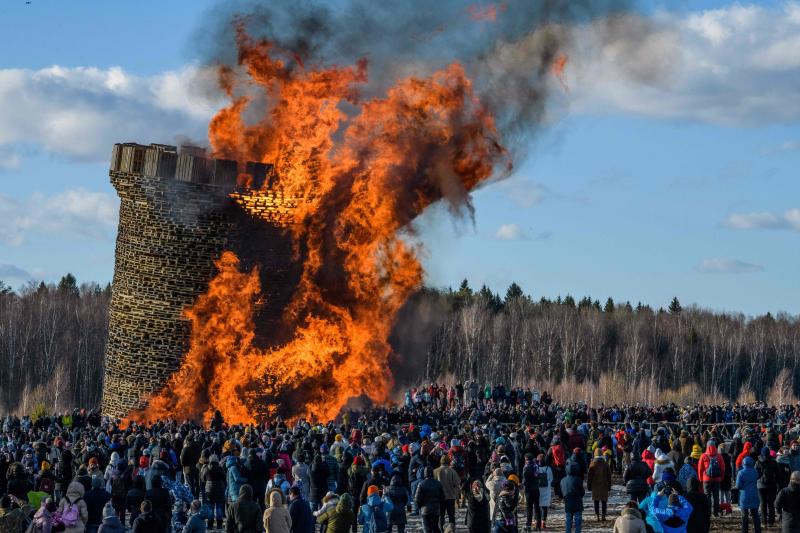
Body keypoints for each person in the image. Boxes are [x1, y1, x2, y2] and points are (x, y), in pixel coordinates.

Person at [697, 442, 724, 517]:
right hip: (717, 479)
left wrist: (700, 479)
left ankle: (708, 512)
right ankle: (716, 512)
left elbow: (700, 469)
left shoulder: (703, 455)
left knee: (707, 496)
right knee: (716, 496)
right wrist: (721, 477)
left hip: (706, 479)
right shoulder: (719, 456)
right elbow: (722, 468)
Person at [433, 455, 460, 531]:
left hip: (439, 497)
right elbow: (458, 482)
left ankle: (441, 530)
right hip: (450, 496)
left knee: (441, 516)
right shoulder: (452, 471)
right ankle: (452, 530)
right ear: (449, 461)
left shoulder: (435, 471)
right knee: (451, 516)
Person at [200, 454, 226, 530]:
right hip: (219, 490)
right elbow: (224, 478)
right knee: (219, 507)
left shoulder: (206, 468)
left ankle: (210, 524)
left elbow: (203, 478)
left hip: (209, 490)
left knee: (210, 508)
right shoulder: (220, 469)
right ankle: (219, 524)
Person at [736, 456, 762, 533]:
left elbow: (738, 486)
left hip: (744, 496)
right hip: (754, 494)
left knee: (744, 516)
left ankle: (745, 531)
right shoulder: (755, 472)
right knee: (755, 515)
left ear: (743, 463)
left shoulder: (741, 472)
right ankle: (758, 531)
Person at [415, 467, 445, 533]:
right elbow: (442, 498)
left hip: (425, 510)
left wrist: (420, 507)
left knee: (427, 529)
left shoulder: (421, 484)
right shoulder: (438, 484)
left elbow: (417, 499)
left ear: (425, 474)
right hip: (435, 509)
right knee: (435, 527)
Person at [756, 446, 779, 528]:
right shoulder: (774, 461)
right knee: (771, 504)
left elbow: (756, 475)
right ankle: (771, 522)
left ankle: (764, 522)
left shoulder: (758, 462)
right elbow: (778, 474)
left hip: (761, 485)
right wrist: (775, 482)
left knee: (763, 504)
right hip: (771, 485)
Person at [561, 462, 585, 533]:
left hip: (568, 503)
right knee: (578, 522)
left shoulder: (562, 480)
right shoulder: (578, 479)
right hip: (577, 503)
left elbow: (562, 492)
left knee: (568, 521)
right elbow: (582, 492)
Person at [588, 451, 612, 522]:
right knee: (604, 501)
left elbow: (590, 476)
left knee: (596, 501)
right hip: (604, 485)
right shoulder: (605, 464)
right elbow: (609, 476)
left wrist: (589, 485)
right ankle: (603, 516)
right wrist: (609, 485)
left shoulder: (592, 464)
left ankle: (597, 516)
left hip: (595, 485)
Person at [522, 454, 541, 532]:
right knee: (537, 507)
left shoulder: (526, 467)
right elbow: (538, 476)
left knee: (529, 508)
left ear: (526, 459)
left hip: (529, 490)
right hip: (536, 489)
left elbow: (525, 480)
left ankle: (529, 524)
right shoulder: (536, 466)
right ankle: (538, 525)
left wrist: (523, 485)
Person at [536, 455, 553, 531]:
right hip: (546, 489)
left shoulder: (536, 468)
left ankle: (536, 520)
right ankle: (543, 522)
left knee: (537, 506)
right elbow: (551, 479)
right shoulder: (548, 469)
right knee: (544, 507)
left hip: (538, 489)